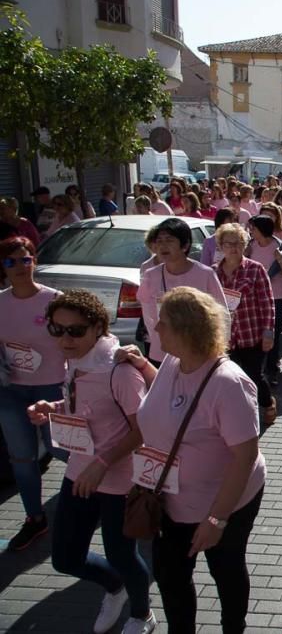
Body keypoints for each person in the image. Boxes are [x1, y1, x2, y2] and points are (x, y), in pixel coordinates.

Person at [133, 287, 266, 634]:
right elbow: (171, 400)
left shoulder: (229, 383)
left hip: (224, 504)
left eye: (162, 323)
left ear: (186, 330)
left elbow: (245, 456)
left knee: (226, 568)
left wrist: (217, 520)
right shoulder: (173, 364)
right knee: (169, 574)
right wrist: (141, 365)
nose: (155, 329)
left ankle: (233, 627)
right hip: (170, 500)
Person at [27, 290, 155, 633]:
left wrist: (101, 462)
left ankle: (141, 614)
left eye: (75, 330)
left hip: (119, 480)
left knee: (123, 555)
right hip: (79, 472)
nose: (65, 339)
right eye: (57, 330)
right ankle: (114, 587)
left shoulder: (119, 370)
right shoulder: (78, 362)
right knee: (65, 558)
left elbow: (143, 428)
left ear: (98, 327)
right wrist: (51, 409)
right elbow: (83, 407)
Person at [0, 237, 67, 550]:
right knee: (22, 458)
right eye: (11, 262)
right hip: (11, 391)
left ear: (34, 262)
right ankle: (35, 518)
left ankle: (104, 494)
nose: (19, 267)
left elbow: (80, 339)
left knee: (61, 450)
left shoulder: (54, 301)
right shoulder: (1, 302)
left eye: (24, 260)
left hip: (51, 387)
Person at [136, 218, 229, 367]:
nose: (163, 246)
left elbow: (222, 315)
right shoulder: (150, 275)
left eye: (169, 240)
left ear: (185, 245)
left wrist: (218, 350)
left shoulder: (205, 274)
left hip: (199, 352)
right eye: (159, 241)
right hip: (163, 354)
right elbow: (149, 318)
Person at [213, 223, 277, 425]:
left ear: (245, 244)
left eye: (238, 243)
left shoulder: (255, 269)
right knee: (228, 379)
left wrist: (269, 333)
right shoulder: (213, 273)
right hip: (226, 337)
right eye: (228, 243)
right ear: (220, 245)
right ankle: (239, 414)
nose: (233, 247)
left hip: (252, 334)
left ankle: (267, 402)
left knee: (253, 376)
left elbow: (267, 303)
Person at [246, 215, 282, 387]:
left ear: (261, 229)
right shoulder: (251, 246)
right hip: (254, 297)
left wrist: (280, 260)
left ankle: (272, 369)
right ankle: (257, 368)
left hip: (276, 296)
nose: (250, 231)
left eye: (253, 228)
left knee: (272, 335)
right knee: (256, 335)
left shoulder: (279, 246)